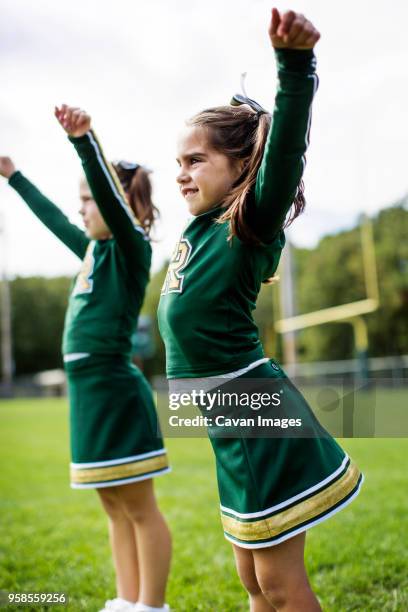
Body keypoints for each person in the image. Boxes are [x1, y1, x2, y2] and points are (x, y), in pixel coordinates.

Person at [158, 8, 363, 612]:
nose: (181, 174)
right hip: (227, 422)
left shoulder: (246, 223)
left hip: (256, 415)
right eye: (178, 163)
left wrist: (294, 66)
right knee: (252, 583)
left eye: (195, 160)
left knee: (277, 583)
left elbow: (285, 151)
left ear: (242, 165)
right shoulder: (197, 231)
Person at [0, 110, 171, 612]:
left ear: (119, 205)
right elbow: (54, 218)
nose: (80, 211)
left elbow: (110, 201)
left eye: (88, 201)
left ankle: (152, 605)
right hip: (88, 398)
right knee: (112, 506)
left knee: (139, 508)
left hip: (117, 393)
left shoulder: (130, 249)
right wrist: (15, 177)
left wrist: (83, 142)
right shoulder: (92, 252)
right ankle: (126, 600)